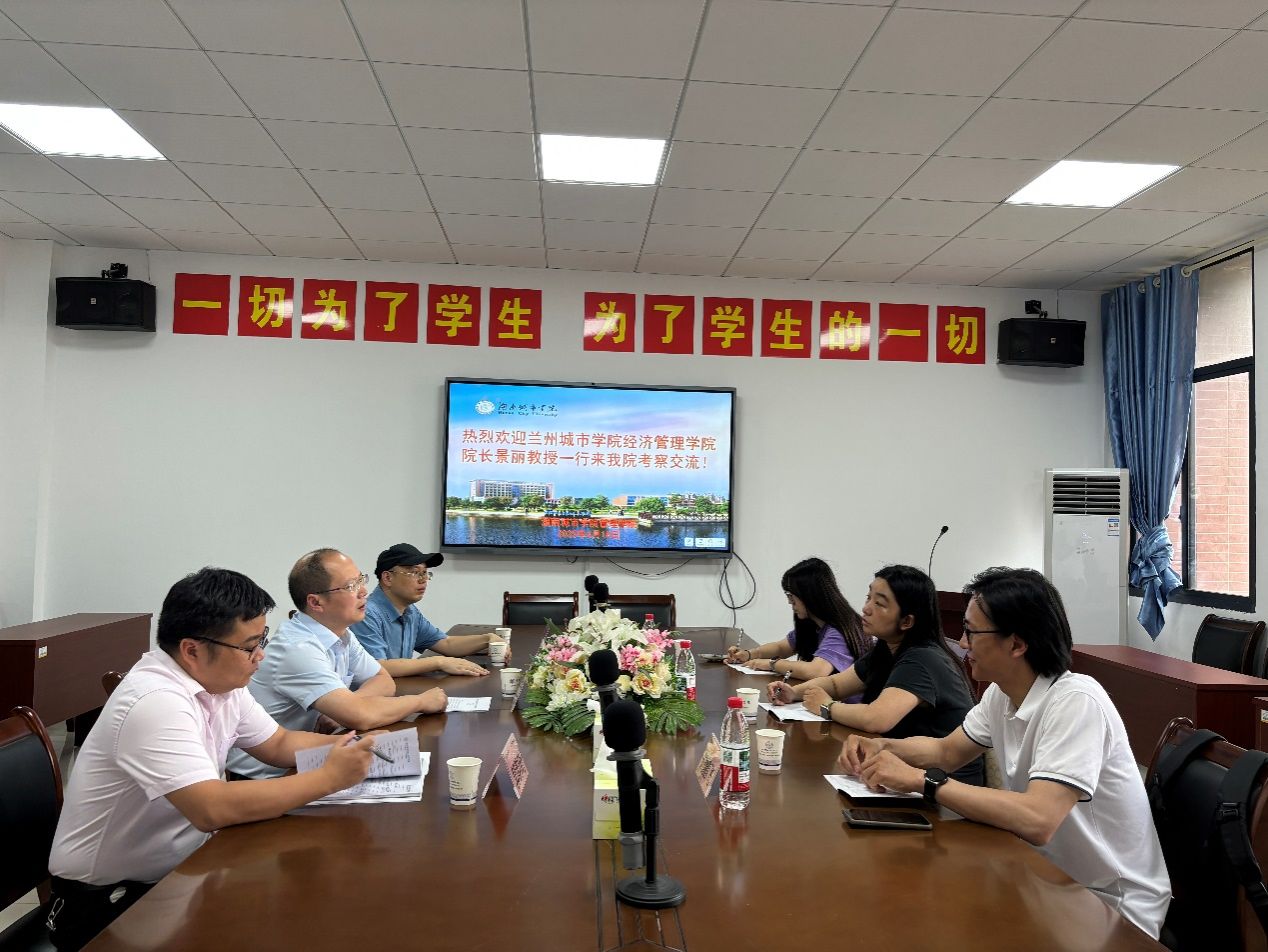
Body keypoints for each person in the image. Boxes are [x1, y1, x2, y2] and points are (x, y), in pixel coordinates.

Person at [46, 568, 377, 950]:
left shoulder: (221, 685)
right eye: (249, 646)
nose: (260, 656)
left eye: (263, 639)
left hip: (183, 873)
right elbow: (211, 808)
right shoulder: (155, 701)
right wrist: (329, 778)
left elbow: (278, 742)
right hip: (108, 904)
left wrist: (346, 746)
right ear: (193, 650)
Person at [839, 567, 1170, 939]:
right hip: (1046, 879)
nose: (962, 643)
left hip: (1110, 905)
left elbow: (1039, 819)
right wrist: (882, 745)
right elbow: (946, 751)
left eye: (971, 632)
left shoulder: (1076, 702)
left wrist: (924, 782)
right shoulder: (1001, 693)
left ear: (1016, 644)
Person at [226, 548, 447, 779]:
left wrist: (347, 706)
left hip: (310, 758)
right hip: (268, 777)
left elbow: (383, 680)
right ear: (316, 602)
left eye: (361, 580)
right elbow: (362, 716)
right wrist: (420, 701)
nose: (363, 591)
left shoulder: (342, 633)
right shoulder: (297, 648)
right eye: (351, 586)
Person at [769, 564, 983, 785]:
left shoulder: (922, 658)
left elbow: (876, 719)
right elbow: (836, 684)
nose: (866, 608)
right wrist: (793, 692)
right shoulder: (886, 649)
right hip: (909, 770)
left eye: (879, 603)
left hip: (946, 784)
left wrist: (827, 706)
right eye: (868, 597)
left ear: (907, 621)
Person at [349, 543, 502, 677]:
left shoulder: (410, 612)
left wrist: (487, 638)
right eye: (414, 572)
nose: (423, 579)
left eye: (424, 573)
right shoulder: (366, 613)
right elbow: (378, 667)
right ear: (388, 578)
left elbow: (446, 643)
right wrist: (439, 662)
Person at [724, 557, 872, 686]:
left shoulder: (839, 630)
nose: (790, 602)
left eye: (790, 595)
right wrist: (749, 654)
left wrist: (772, 664)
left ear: (809, 595)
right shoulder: (813, 625)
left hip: (844, 704)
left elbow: (816, 671)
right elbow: (781, 648)